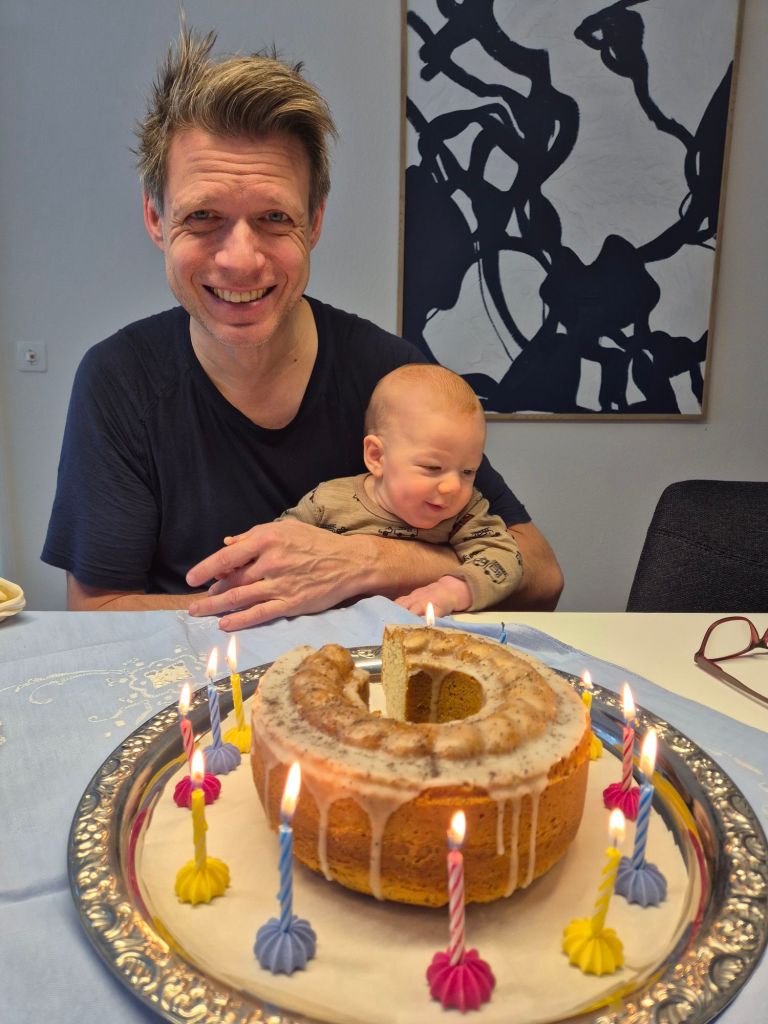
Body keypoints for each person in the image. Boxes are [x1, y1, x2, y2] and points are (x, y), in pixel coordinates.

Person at [42, 26, 563, 631]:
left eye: (274, 217)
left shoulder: (392, 376)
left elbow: (542, 576)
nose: (241, 260)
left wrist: (364, 562)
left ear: (313, 222)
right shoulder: (120, 380)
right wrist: (290, 601)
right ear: (156, 218)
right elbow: (99, 610)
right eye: (203, 216)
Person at [273, 363, 523, 616]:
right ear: (377, 456)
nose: (453, 487)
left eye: (468, 472)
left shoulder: (465, 513)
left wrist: (452, 591)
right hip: (333, 630)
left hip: (422, 631)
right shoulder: (327, 501)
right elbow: (279, 544)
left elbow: (505, 557)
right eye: (432, 467)